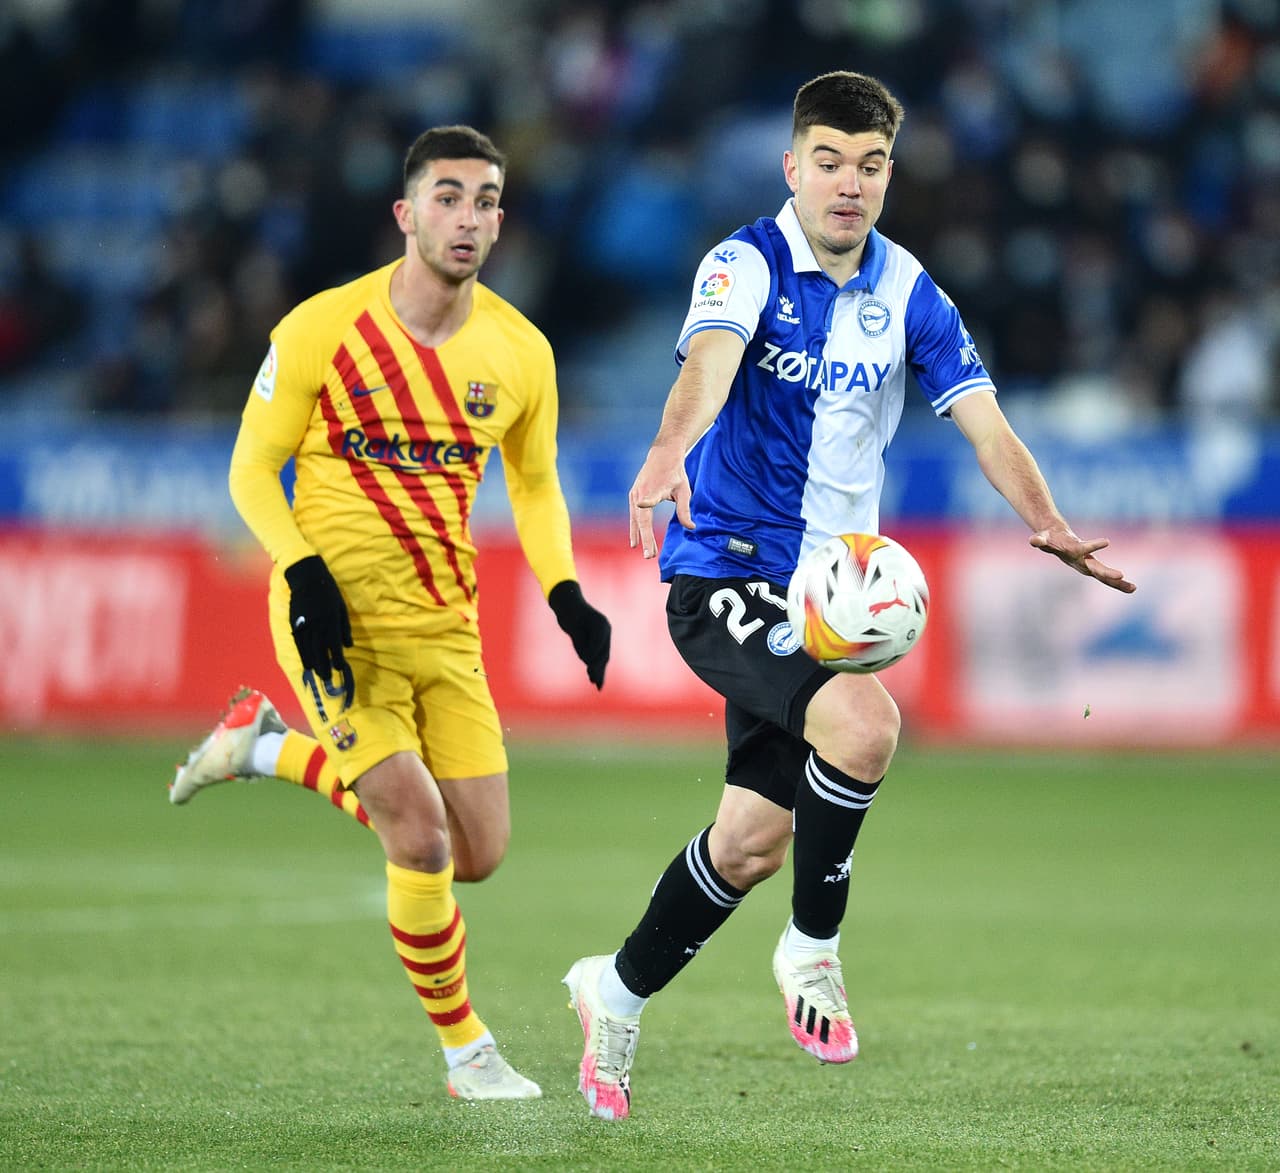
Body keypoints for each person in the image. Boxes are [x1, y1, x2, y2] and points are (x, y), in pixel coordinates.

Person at [562, 71, 1135, 1121]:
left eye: (869, 165)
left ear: (886, 175)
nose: (849, 184)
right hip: (724, 567)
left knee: (748, 841)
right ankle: (811, 950)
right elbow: (707, 365)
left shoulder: (909, 290)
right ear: (792, 167)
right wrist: (662, 451)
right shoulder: (743, 264)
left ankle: (614, 991)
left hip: (823, 592)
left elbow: (982, 419)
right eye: (828, 161)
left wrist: (1043, 520)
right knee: (865, 727)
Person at [170, 124, 611, 1102]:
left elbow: (534, 488)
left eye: (486, 199)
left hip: (444, 628)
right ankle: (467, 1055)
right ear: (406, 214)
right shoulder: (321, 327)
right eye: (448, 197)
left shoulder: (519, 350)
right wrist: (303, 570)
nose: (468, 216)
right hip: (336, 624)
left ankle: (265, 750)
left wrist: (565, 592)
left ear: (501, 220)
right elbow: (249, 468)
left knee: (479, 855)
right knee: (417, 838)